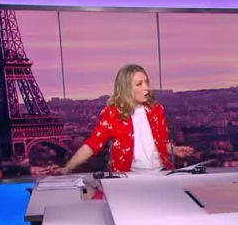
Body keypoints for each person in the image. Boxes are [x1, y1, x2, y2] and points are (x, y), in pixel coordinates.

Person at [45, 64, 191, 175]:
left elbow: (162, 143)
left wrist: (175, 150)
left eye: (146, 82)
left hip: (161, 173)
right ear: (126, 88)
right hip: (127, 177)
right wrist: (68, 168)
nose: (146, 88)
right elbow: (91, 145)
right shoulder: (112, 114)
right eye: (139, 84)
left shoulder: (157, 110)